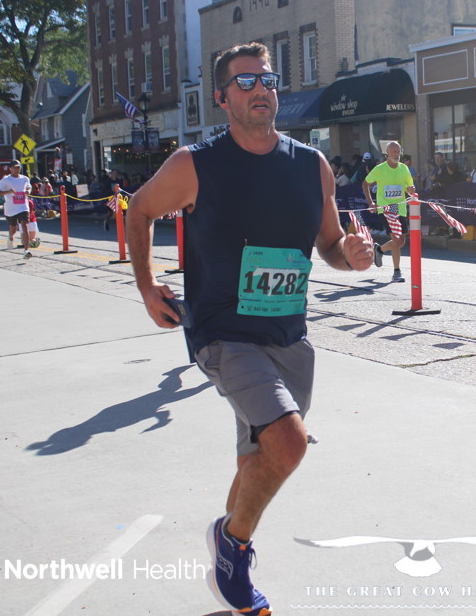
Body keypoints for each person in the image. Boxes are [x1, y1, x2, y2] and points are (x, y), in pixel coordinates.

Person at [125, 41, 374, 615]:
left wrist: (352, 255)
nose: (260, 89)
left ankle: (226, 535)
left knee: (257, 459)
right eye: (245, 82)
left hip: (289, 336)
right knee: (288, 442)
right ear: (222, 98)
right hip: (222, 331)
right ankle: (233, 555)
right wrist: (146, 284)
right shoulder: (195, 165)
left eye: (267, 80)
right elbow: (139, 208)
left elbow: (330, 244)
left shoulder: (310, 165)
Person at [364, 141, 415, 283]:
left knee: (401, 242)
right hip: (386, 209)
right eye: (394, 151)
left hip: (400, 208)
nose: (397, 154)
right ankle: (396, 272)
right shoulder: (380, 169)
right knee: (397, 240)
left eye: (398, 151)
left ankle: (379, 250)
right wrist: (371, 203)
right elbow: (365, 184)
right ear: (387, 153)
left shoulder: (404, 168)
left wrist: (410, 189)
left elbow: (408, 187)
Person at [0, 161, 33, 259]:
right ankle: (10, 237)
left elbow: (29, 187)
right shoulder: (6, 180)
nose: (16, 169)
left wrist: (28, 191)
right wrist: (8, 191)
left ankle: (26, 250)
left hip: (23, 206)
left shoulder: (25, 178)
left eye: (18, 167)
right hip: (11, 209)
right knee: (13, 228)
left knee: (24, 226)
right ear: (10, 168)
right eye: (14, 167)